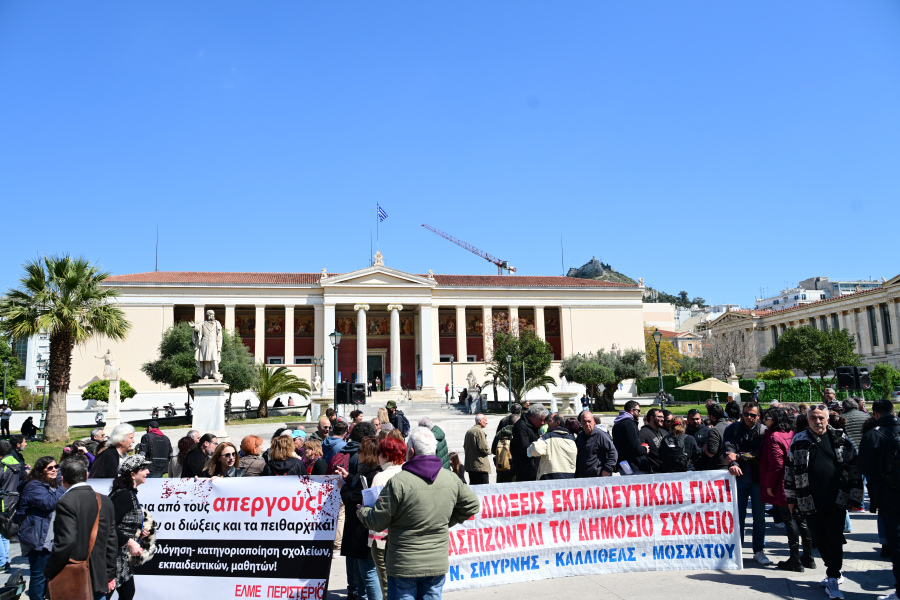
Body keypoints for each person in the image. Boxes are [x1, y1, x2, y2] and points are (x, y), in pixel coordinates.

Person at [358, 427, 479, 600]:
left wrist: (362, 512)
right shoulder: (450, 478)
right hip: (435, 562)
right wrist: (445, 521)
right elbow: (472, 505)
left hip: (403, 563)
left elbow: (377, 521)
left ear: (412, 451)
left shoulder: (398, 482)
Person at [785, 404, 863, 599]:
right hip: (808, 499)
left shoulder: (841, 438)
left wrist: (855, 496)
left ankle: (833, 576)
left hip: (837, 498)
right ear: (808, 419)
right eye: (813, 418)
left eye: (821, 417)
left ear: (828, 418)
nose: (817, 421)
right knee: (818, 538)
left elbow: (854, 466)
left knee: (834, 539)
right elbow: (790, 470)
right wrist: (791, 498)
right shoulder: (799, 439)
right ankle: (833, 569)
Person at [44, 455, 118, 600]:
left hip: (73, 578)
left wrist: (49, 569)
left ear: (63, 479)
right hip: (99, 576)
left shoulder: (65, 502)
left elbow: (66, 542)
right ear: (86, 475)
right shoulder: (105, 500)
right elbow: (111, 540)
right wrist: (110, 573)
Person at [760, 407, 814, 572]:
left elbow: (777, 465)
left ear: (774, 418)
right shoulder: (793, 433)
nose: (764, 420)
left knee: (789, 520)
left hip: (783, 483)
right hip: (799, 482)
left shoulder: (774, 436)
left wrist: (769, 485)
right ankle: (808, 557)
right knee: (801, 520)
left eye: (767, 417)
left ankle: (795, 559)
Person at [858, 399, 900, 600]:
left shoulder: (873, 435)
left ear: (875, 414)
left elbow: (864, 469)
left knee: (896, 544)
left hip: (888, 495)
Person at [336, 437, 382, 600]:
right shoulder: (368, 472)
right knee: (363, 571)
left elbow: (353, 498)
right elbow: (358, 484)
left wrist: (343, 487)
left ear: (368, 454)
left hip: (362, 530)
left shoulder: (371, 475)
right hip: (361, 529)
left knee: (368, 573)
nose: (358, 453)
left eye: (360, 451)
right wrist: (349, 477)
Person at [723, 400, 770, 565]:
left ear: (758, 415)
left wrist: (740, 457)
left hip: (758, 479)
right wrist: (733, 462)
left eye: (752, 414)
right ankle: (738, 550)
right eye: (746, 414)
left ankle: (759, 550)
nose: (749, 417)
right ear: (741, 413)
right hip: (739, 479)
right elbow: (728, 449)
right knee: (738, 517)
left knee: (759, 517)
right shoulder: (732, 429)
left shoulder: (765, 432)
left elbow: (762, 454)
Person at [16, 455, 65, 600]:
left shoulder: (51, 483)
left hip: (50, 537)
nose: (54, 470)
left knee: (47, 575)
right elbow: (48, 503)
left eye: (56, 466)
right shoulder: (34, 486)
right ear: (41, 470)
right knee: (39, 575)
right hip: (38, 538)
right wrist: (63, 488)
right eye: (50, 468)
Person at [109, 455, 153, 600]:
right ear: (133, 474)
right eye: (144, 468)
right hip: (113, 555)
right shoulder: (124, 495)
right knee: (107, 593)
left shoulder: (129, 494)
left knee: (127, 592)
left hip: (122, 556)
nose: (148, 471)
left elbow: (123, 524)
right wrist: (129, 541)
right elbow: (108, 525)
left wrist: (138, 534)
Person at [368, 436, 407, 599]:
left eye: (379, 453)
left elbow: (373, 510)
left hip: (382, 537)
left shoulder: (380, 477)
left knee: (387, 585)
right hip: (405, 536)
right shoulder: (409, 473)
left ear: (385, 455)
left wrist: (363, 510)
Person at [528, 412, 577, 480]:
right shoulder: (572, 439)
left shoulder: (547, 437)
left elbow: (535, 449)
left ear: (558, 423)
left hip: (550, 476)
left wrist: (528, 450)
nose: (547, 422)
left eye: (550, 420)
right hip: (569, 476)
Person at [574, 411, 616, 478]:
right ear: (581, 423)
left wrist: (607, 469)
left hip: (597, 476)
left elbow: (613, 453)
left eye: (589, 421)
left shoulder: (600, 435)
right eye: (584, 421)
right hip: (582, 477)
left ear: (593, 422)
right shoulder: (580, 436)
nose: (587, 424)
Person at [612, 401, 650, 475]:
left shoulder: (617, 424)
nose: (639, 413)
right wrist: (645, 449)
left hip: (622, 464)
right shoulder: (630, 424)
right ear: (632, 411)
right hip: (632, 465)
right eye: (638, 411)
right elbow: (635, 446)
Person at [511, 404, 546, 482]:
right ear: (533, 416)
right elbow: (525, 449)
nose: (543, 423)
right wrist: (540, 441)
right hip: (526, 470)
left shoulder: (534, 425)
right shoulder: (520, 426)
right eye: (541, 419)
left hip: (535, 468)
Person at [463, 414, 492, 485]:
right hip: (480, 465)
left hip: (471, 465)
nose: (486, 422)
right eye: (485, 420)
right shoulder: (479, 431)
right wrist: (491, 451)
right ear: (480, 421)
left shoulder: (469, 431)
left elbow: (465, 446)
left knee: (474, 487)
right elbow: (483, 447)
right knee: (484, 488)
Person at [491, 414, 517, 483]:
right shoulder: (518, 432)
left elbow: (493, 450)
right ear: (516, 422)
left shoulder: (500, 433)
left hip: (501, 469)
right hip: (514, 470)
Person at [705, 403, 730, 470]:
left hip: (719, 468)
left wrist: (704, 447)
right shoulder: (732, 427)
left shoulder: (714, 430)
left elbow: (711, 453)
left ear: (712, 416)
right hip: (733, 465)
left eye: (708, 415)